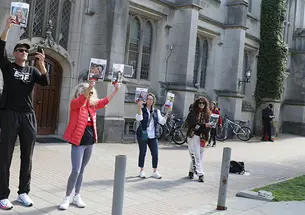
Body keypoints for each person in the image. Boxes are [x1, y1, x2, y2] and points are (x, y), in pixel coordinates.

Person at [0, 16, 49, 210]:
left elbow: (45, 82)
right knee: (5, 156)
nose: (24, 52)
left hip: (28, 115)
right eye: (20, 50)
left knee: (27, 156)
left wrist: (42, 63)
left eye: (26, 51)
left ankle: (23, 192)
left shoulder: (32, 70)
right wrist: (7, 27)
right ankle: (3, 195)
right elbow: (0, 48)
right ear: (14, 53)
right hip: (10, 114)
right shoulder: (8, 67)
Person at [59, 80, 120, 210]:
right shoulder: (75, 104)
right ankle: (67, 197)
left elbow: (104, 101)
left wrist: (115, 91)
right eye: (82, 92)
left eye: (88, 92)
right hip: (78, 143)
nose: (86, 94)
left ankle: (77, 195)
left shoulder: (92, 106)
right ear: (78, 93)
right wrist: (89, 87)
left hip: (89, 142)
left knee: (81, 170)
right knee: (75, 170)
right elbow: (81, 100)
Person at [135, 93, 168, 179]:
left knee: (155, 153)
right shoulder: (142, 109)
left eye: (151, 99)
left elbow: (162, 121)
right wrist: (139, 107)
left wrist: (168, 113)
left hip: (153, 136)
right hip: (143, 134)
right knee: (143, 152)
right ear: (145, 100)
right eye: (148, 99)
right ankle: (141, 170)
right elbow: (139, 118)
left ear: (153, 101)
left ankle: (155, 171)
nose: (150, 101)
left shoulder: (157, 111)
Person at [185, 97, 211, 182]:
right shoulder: (193, 113)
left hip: (203, 137)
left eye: (203, 103)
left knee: (199, 155)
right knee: (196, 155)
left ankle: (191, 171)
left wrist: (207, 127)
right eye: (200, 103)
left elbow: (208, 126)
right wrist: (204, 126)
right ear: (197, 103)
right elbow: (193, 124)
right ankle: (200, 174)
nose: (201, 105)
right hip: (193, 136)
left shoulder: (207, 114)